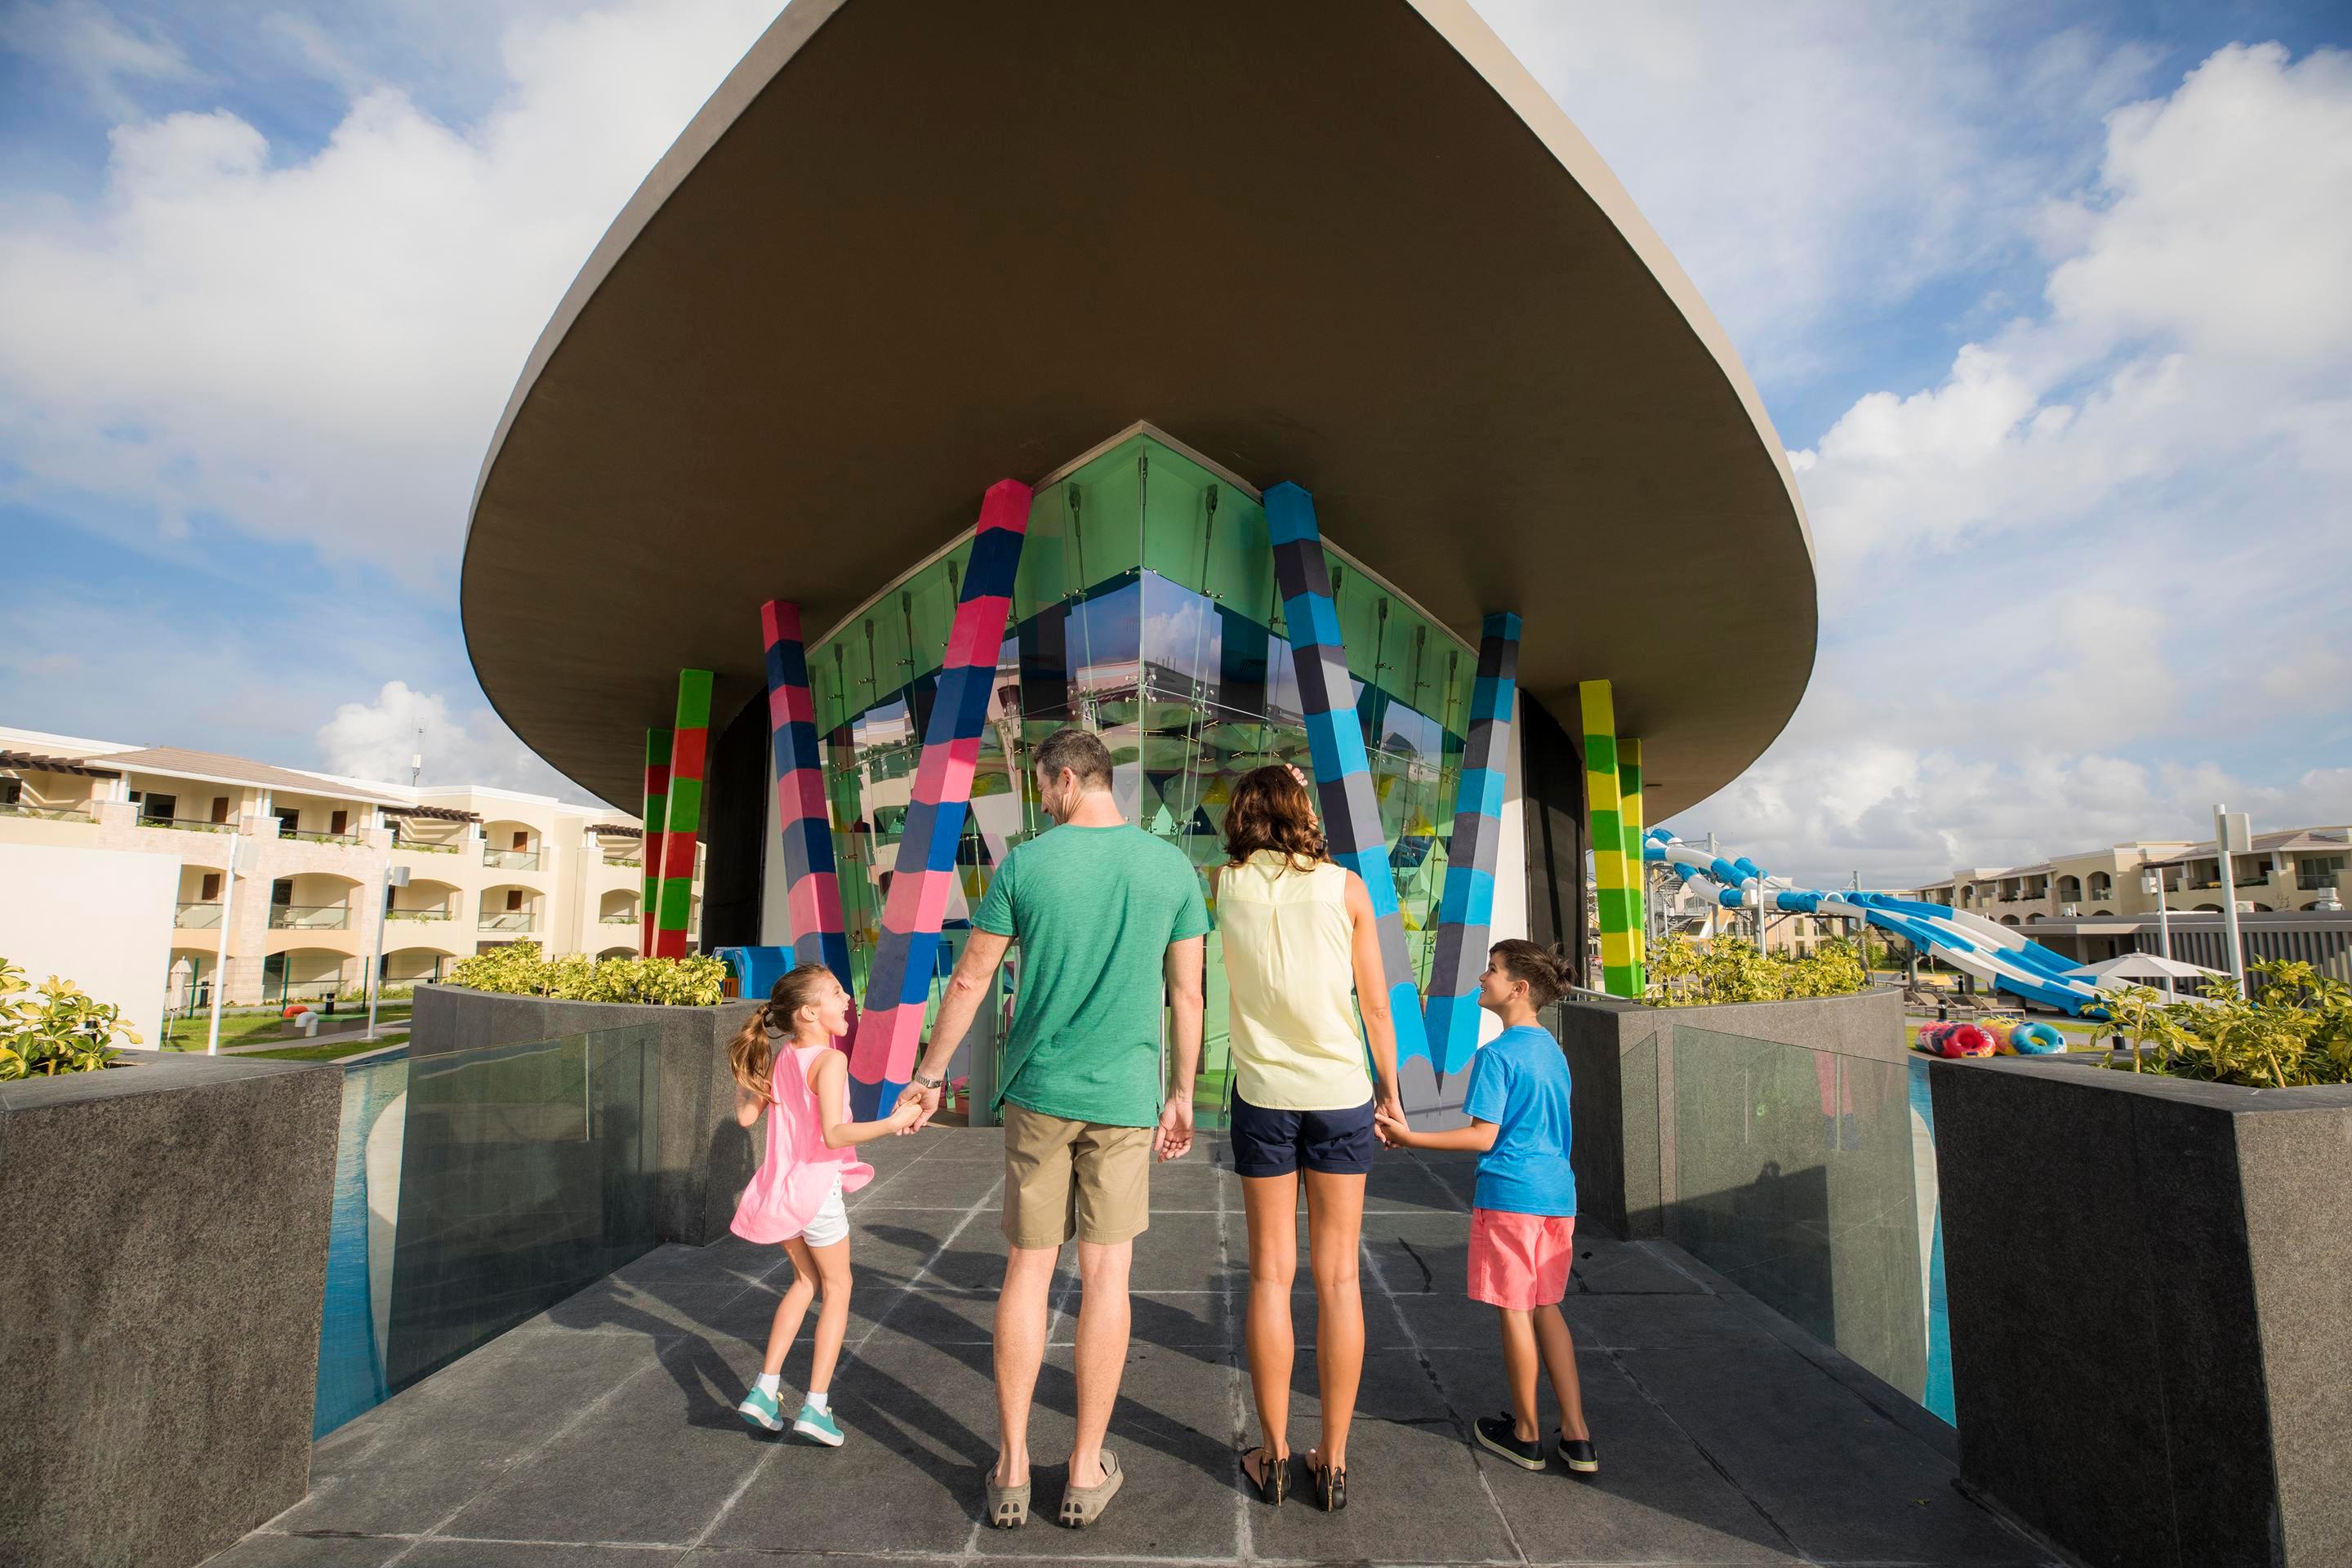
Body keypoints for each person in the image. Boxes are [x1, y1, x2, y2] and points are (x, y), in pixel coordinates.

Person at [900, 725, 1208, 1530]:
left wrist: (930, 1079)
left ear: (1068, 778)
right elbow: (1188, 995)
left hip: (1040, 1093)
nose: (1041, 801)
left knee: (1028, 1271)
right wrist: (1182, 1094)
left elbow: (970, 979)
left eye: (1042, 786)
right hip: (1124, 1097)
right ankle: (1082, 1469)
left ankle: (1010, 1469)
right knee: (1107, 1277)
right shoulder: (1170, 867)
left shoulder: (1028, 865)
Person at [1215, 764, 1402, 1512]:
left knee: (1270, 1277)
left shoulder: (1225, 887)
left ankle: (1275, 1456)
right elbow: (1377, 1008)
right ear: (1303, 809)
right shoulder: (1346, 888)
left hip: (1264, 1096)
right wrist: (1391, 1093)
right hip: (1340, 1095)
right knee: (1339, 1280)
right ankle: (1336, 1462)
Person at [1375, 940, 1597, 1477]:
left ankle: (1526, 1435)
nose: (1482, 977)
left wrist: (1410, 1137)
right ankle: (1578, 1437)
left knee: (1516, 1310)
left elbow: (1483, 1137)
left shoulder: (1497, 1055)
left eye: (1491, 970)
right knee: (1547, 1308)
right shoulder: (1553, 1052)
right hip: (1557, 1197)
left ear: (1518, 989)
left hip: (1511, 1197)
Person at [727, 963, 922, 1446]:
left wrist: (748, 1069)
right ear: (810, 1012)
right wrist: (894, 1123)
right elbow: (834, 1134)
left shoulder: (784, 1057)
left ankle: (765, 1390)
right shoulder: (830, 1061)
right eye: (836, 993)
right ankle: (815, 1406)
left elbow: (745, 1117)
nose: (847, 999)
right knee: (839, 1288)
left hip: (782, 1193)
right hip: (815, 1194)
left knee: (805, 1282)